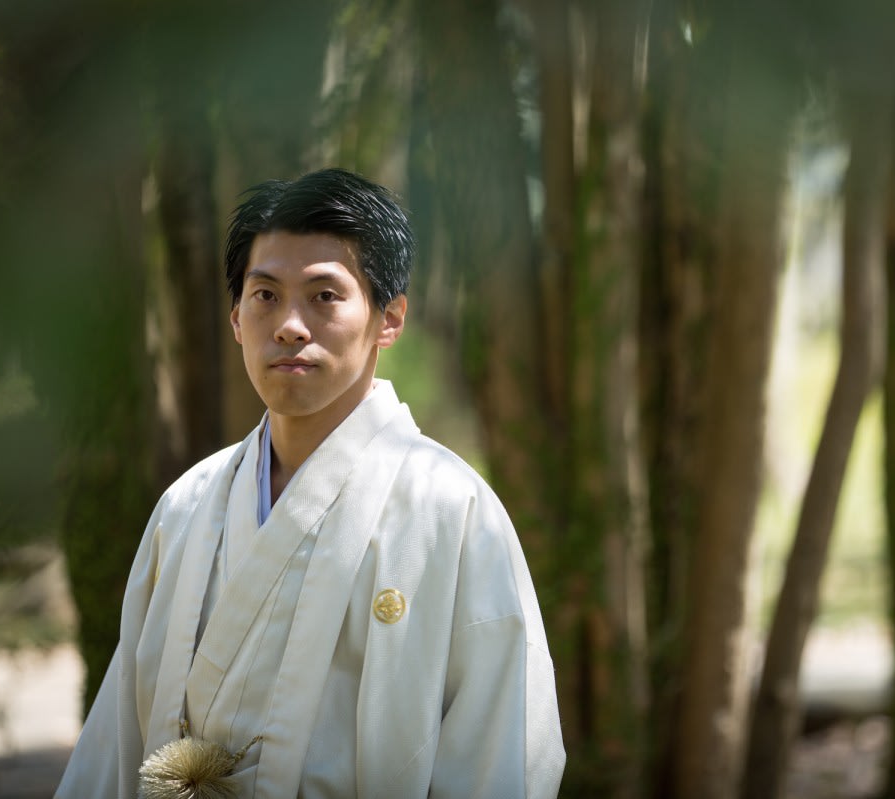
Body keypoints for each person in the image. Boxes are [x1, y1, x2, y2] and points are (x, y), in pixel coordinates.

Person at [55, 168, 565, 798]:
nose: (290, 325)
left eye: (324, 296)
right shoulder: (187, 505)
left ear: (389, 319)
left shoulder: (448, 509)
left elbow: (500, 749)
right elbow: (115, 743)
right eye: (265, 295)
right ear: (236, 318)